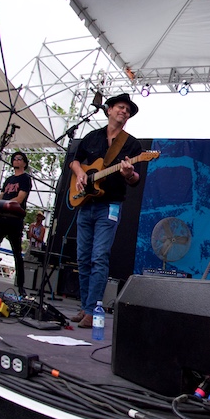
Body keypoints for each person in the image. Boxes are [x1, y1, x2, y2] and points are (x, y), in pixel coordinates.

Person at [70, 93, 144, 328]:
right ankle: (84, 307)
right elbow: (75, 160)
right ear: (109, 109)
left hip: (110, 205)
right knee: (83, 258)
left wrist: (128, 173)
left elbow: (135, 178)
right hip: (85, 203)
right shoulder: (92, 137)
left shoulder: (132, 144)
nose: (124, 112)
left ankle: (93, 309)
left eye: (128, 110)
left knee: (99, 257)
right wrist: (80, 174)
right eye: (120, 107)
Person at [0, 152, 32, 295]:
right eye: (14, 159)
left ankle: (20, 286)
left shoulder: (25, 179)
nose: (16, 161)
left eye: (19, 159)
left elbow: (19, 198)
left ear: (24, 163)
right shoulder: (8, 180)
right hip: (2, 217)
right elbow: (2, 195)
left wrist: (4, 203)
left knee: (17, 253)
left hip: (14, 218)